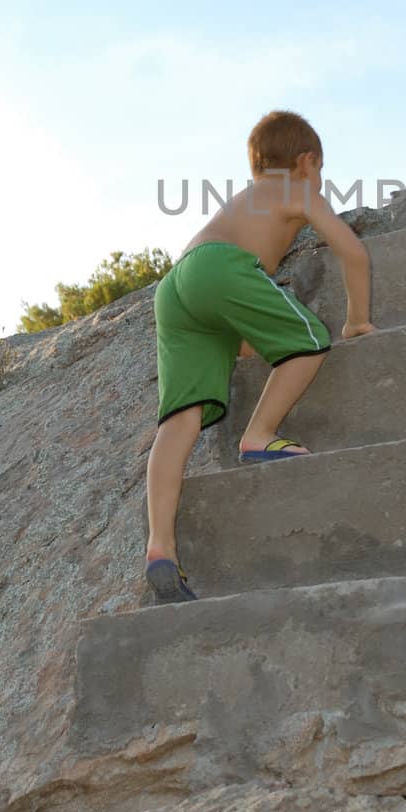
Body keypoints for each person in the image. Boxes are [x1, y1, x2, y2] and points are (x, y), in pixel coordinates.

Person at [144, 109, 375, 603]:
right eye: (320, 168)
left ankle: (160, 545)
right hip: (222, 272)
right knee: (309, 339)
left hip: (177, 285)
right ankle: (259, 434)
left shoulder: (244, 200)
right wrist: (356, 319)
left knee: (180, 419)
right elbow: (352, 253)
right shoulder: (300, 191)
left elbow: (234, 319)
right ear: (307, 161)